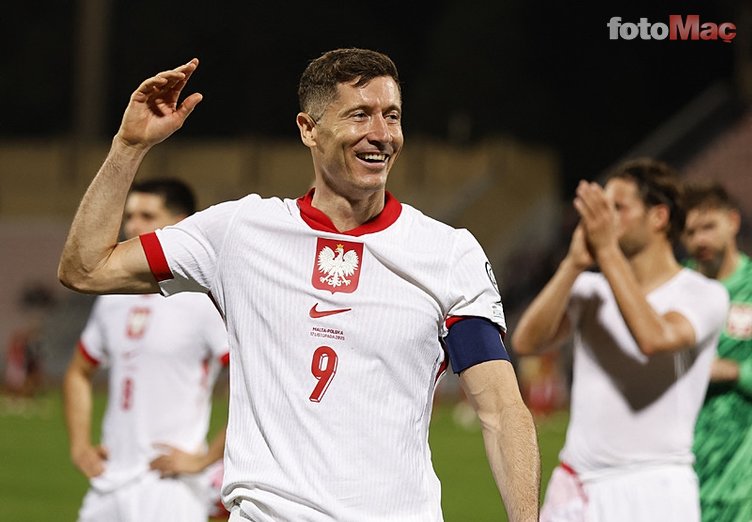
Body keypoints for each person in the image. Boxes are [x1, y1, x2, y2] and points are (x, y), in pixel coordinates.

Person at [57, 49, 540, 521]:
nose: (381, 134)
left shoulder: (448, 253)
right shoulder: (238, 233)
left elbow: (501, 410)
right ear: (309, 129)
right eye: (360, 115)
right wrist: (128, 146)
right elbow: (85, 268)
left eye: (391, 116)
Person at [512, 158, 728, 522]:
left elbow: (653, 339)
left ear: (658, 217)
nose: (604, 220)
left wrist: (607, 251)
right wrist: (573, 264)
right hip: (577, 483)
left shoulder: (702, 294)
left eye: (618, 208)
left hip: (655, 488)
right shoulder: (590, 288)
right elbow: (527, 342)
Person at [63, 178, 230, 522]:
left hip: (168, 487)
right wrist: (80, 446)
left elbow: (256, 383)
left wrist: (204, 459)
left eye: (147, 216)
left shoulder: (205, 301)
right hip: (109, 482)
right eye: (129, 216)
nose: (132, 225)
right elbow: (79, 371)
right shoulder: (113, 298)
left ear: (181, 224)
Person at [682, 180, 752, 522]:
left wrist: (733, 370)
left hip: (742, 478)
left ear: (733, 221)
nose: (699, 240)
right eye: (690, 232)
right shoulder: (675, 289)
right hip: (680, 474)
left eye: (708, 227)